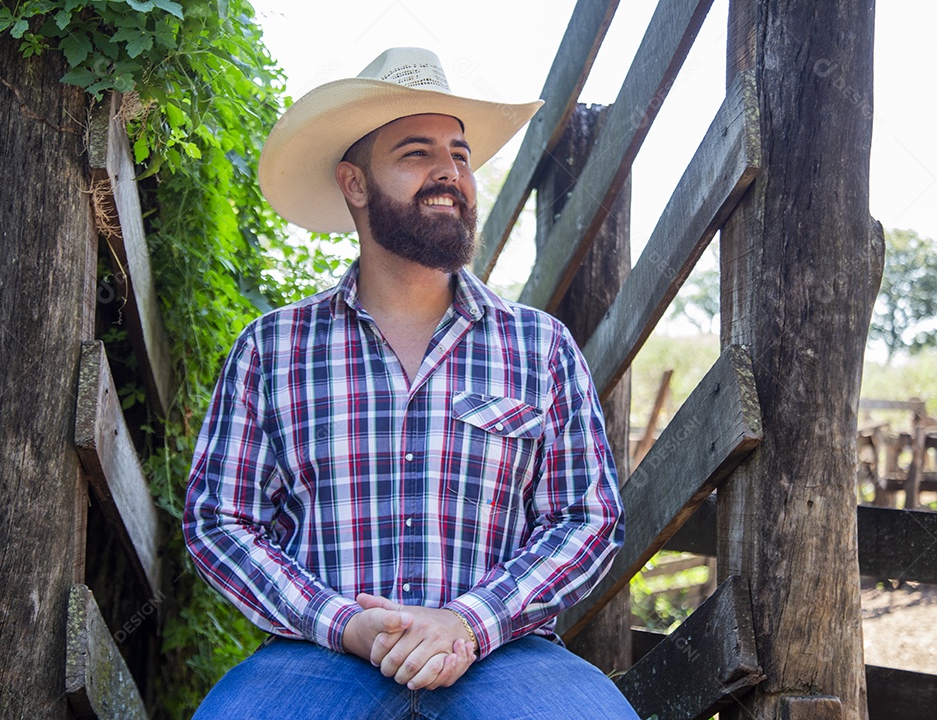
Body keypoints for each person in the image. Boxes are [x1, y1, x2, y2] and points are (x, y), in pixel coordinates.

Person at [183, 47, 639, 719]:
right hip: (318, 656)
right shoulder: (272, 348)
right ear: (355, 183)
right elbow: (219, 521)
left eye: (458, 154)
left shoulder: (540, 346)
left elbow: (588, 517)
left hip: (505, 654)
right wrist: (342, 623)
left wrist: (468, 620)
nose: (449, 173)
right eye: (415, 153)